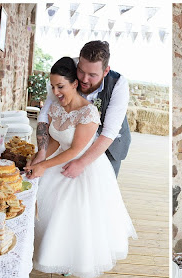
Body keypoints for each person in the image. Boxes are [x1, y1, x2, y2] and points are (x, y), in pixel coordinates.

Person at [25, 56, 136, 278]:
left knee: (77, 213)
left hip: (86, 164)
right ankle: (47, 253)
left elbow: (76, 149)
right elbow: (55, 137)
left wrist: (45, 165)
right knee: (48, 207)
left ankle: (71, 259)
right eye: (53, 86)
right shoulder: (58, 105)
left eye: (60, 86)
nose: (55, 91)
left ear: (74, 84)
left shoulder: (90, 112)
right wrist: (40, 155)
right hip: (60, 158)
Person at [31, 40, 131, 177]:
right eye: (81, 71)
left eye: (92, 75)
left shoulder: (118, 84)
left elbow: (110, 131)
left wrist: (82, 162)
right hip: (69, 144)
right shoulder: (69, 68)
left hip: (108, 147)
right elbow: (45, 112)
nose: (84, 79)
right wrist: (42, 153)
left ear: (106, 71)